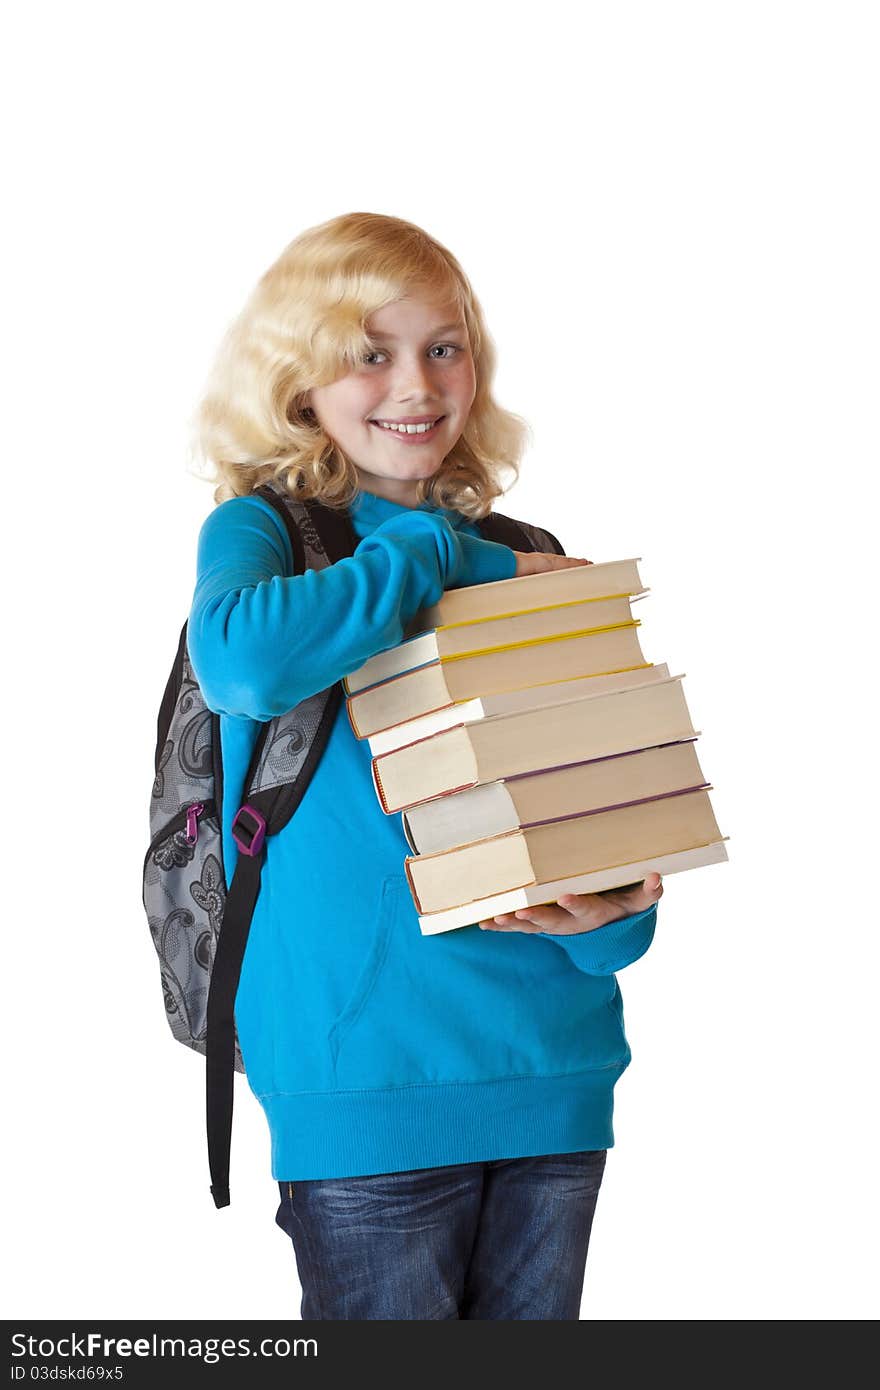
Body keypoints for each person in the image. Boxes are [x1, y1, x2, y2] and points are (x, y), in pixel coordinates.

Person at [187, 211, 663, 1320]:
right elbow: (245, 664)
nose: (417, 380)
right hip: (363, 1086)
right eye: (371, 350)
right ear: (299, 381)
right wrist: (435, 544)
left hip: (550, 1074)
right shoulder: (263, 536)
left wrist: (603, 911)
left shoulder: (532, 556)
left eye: (444, 345)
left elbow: (621, 865)